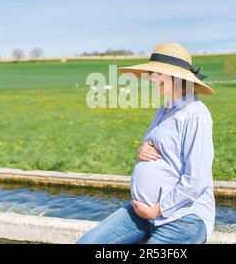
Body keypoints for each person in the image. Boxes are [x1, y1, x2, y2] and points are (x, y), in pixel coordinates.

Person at [77, 43, 216, 244]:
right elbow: (161, 149)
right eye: (152, 73)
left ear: (178, 78)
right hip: (142, 213)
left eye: (158, 73)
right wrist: (142, 150)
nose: (151, 78)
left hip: (183, 217)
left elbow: (196, 180)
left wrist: (156, 210)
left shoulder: (195, 114)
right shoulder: (165, 108)